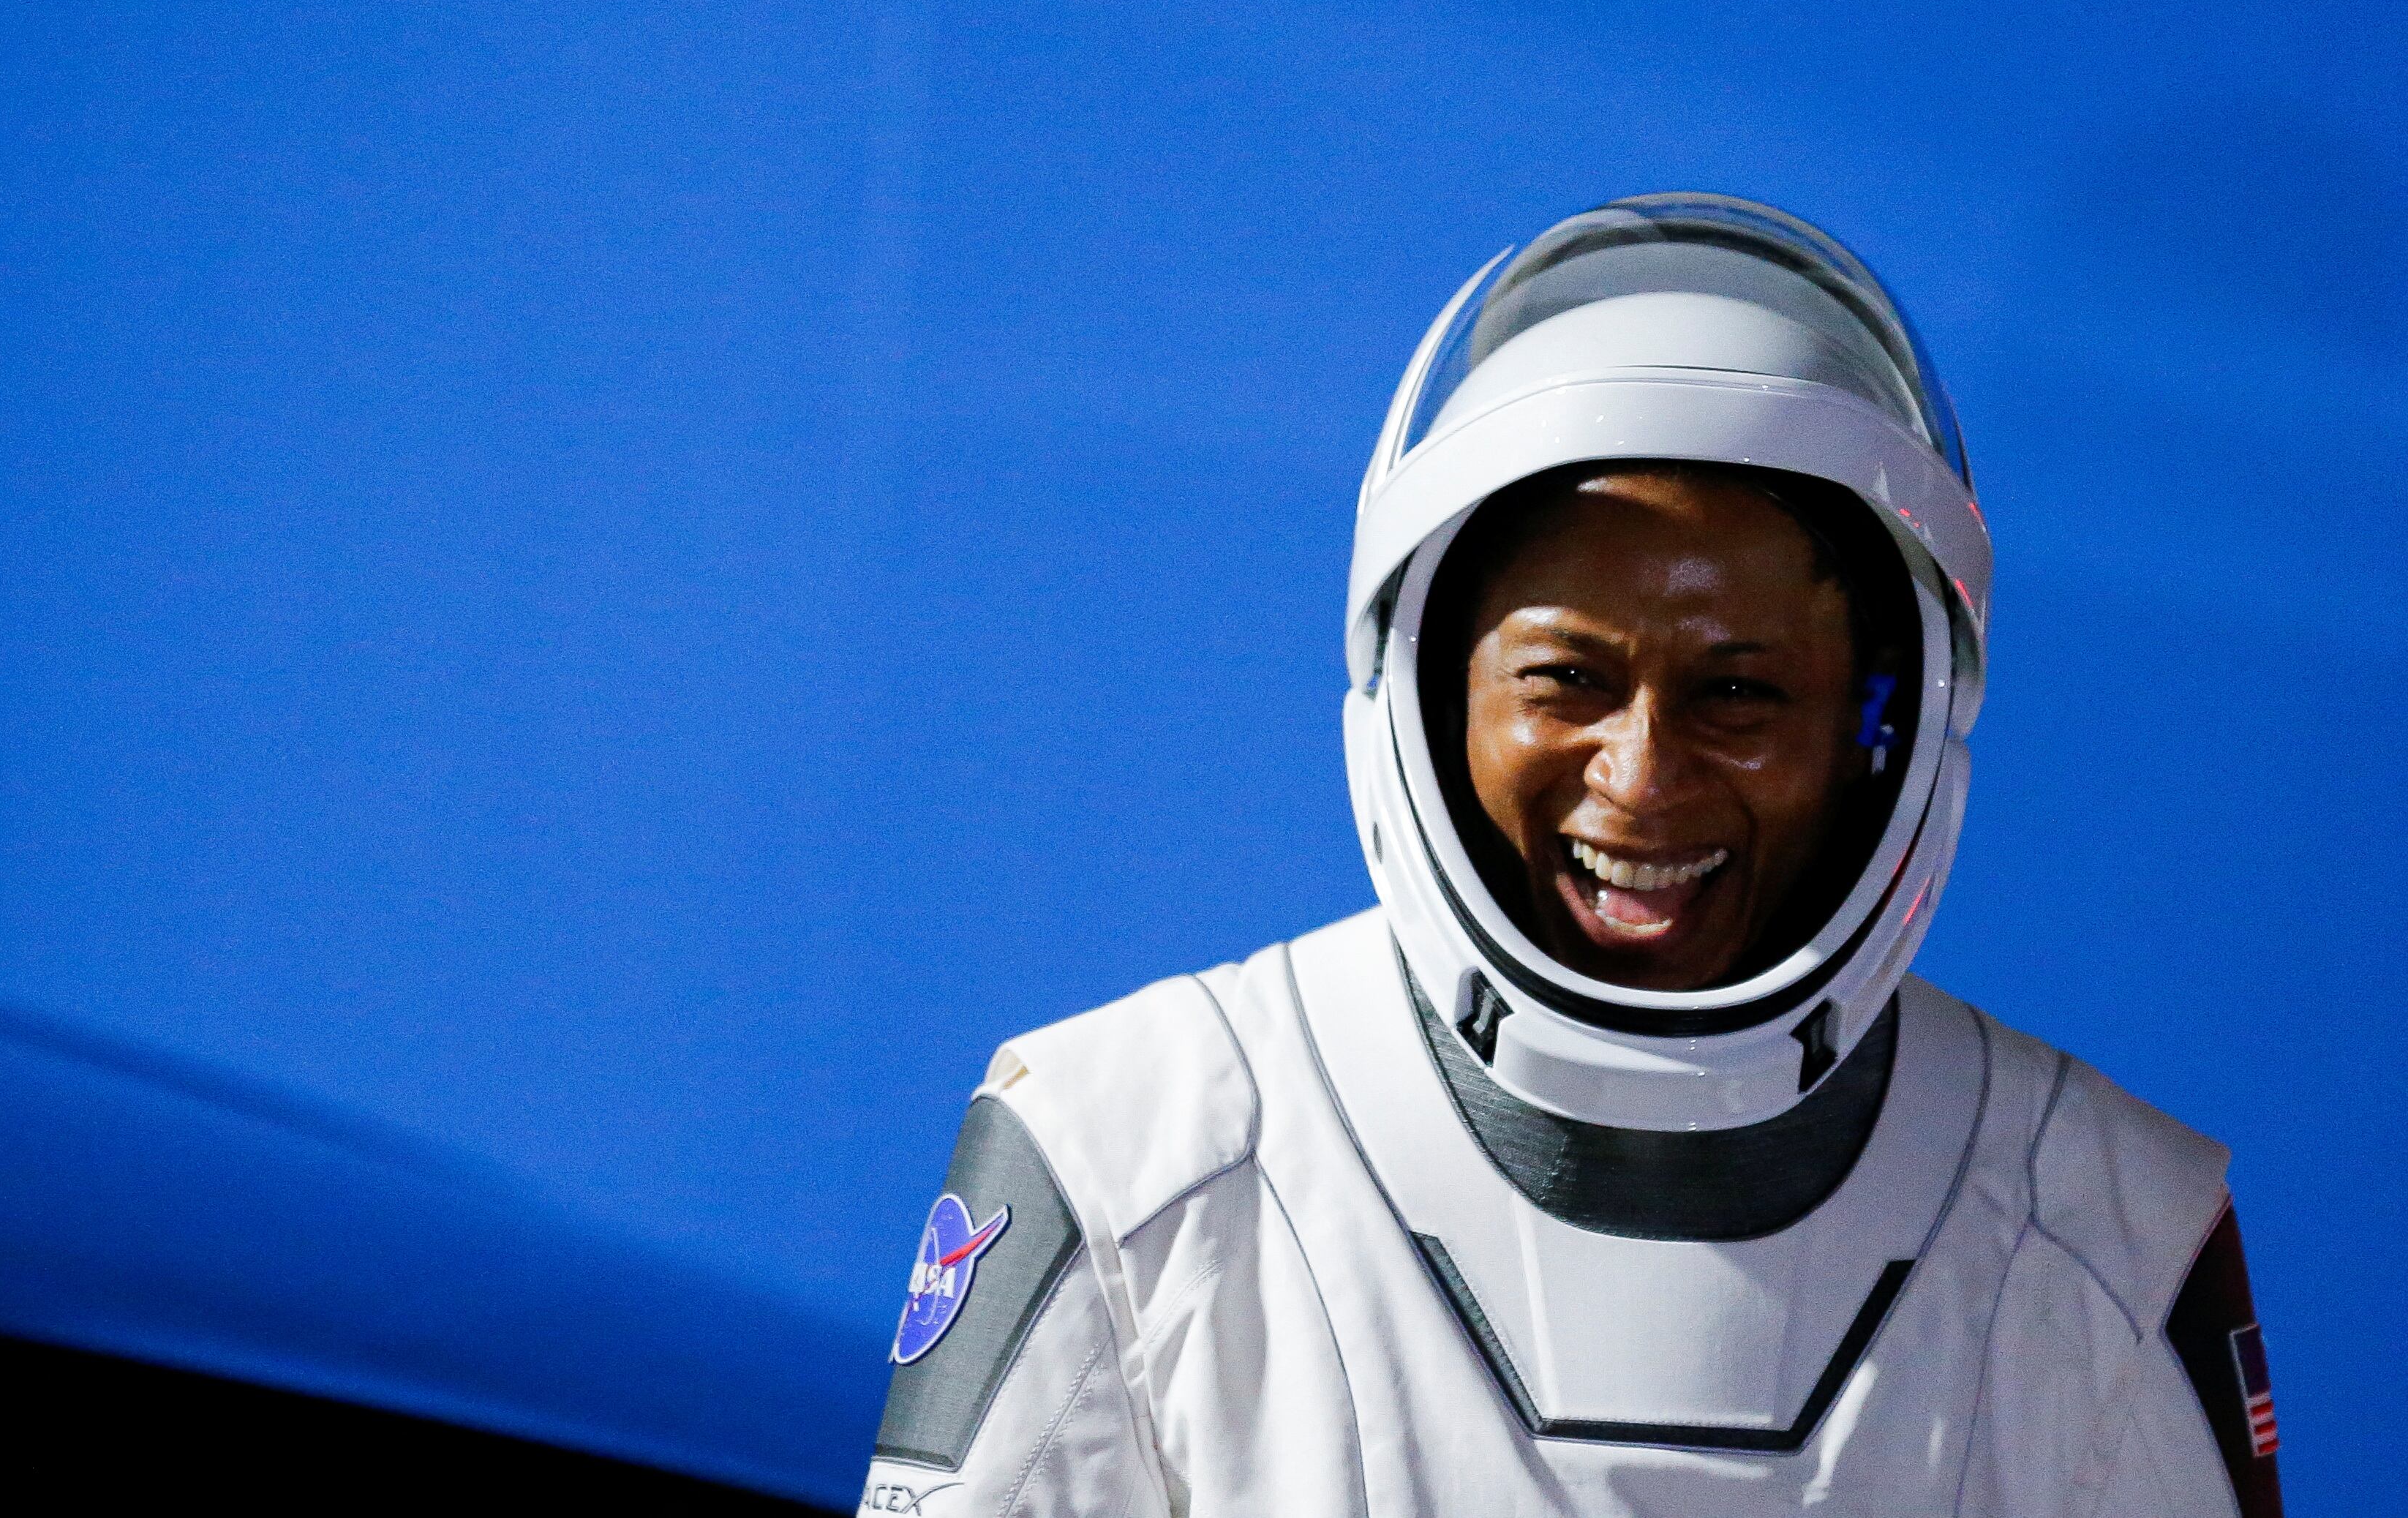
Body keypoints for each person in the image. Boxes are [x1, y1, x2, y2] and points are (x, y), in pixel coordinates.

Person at [858, 195, 2280, 1517]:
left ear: (1884, 725)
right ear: (1425, 698)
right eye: (1563, 681)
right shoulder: (1131, 1157)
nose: (1642, 777)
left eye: (1739, 692)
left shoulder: (2106, 1225)